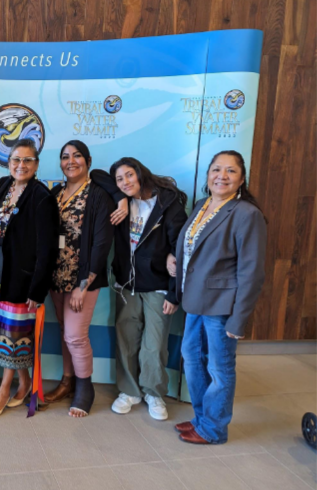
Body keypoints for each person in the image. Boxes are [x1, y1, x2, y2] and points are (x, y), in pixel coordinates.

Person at [171, 150, 266, 444]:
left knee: (219, 368)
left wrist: (239, 319)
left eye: (230, 171)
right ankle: (202, 419)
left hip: (221, 306)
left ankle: (213, 429)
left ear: (242, 178)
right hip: (194, 300)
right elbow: (193, 250)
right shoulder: (203, 205)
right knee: (192, 359)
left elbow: (251, 271)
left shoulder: (246, 214)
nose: (221, 176)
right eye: (216, 169)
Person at [107, 157, 188, 420]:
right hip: (126, 284)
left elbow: (180, 249)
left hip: (157, 285)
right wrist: (119, 196)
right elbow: (97, 176)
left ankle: (153, 393)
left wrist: (175, 292)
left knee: (154, 344)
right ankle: (130, 391)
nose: (125, 182)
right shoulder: (122, 201)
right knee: (126, 340)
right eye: (119, 179)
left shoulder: (168, 203)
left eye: (129, 175)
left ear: (141, 173)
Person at [0, 138, 60, 420]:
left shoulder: (42, 197)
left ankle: (5, 388)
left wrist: (37, 290)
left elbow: (48, 248)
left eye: (28, 160)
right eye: (16, 159)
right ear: (9, 162)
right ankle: (24, 382)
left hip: (23, 281)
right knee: (3, 332)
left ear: (36, 164)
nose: (21, 165)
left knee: (13, 337)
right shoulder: (3, 185)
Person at [44, 140, 116, 417]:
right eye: (65, 156)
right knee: (64, 330)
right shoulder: (56, 193)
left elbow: (101, 243)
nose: (70, 161)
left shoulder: (98, 195)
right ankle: (67, 381)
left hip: (83, 279)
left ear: (87, 160)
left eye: (77, 156)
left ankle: (85, 387)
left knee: (75, 335)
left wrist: (83, 285)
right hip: (56, 277)